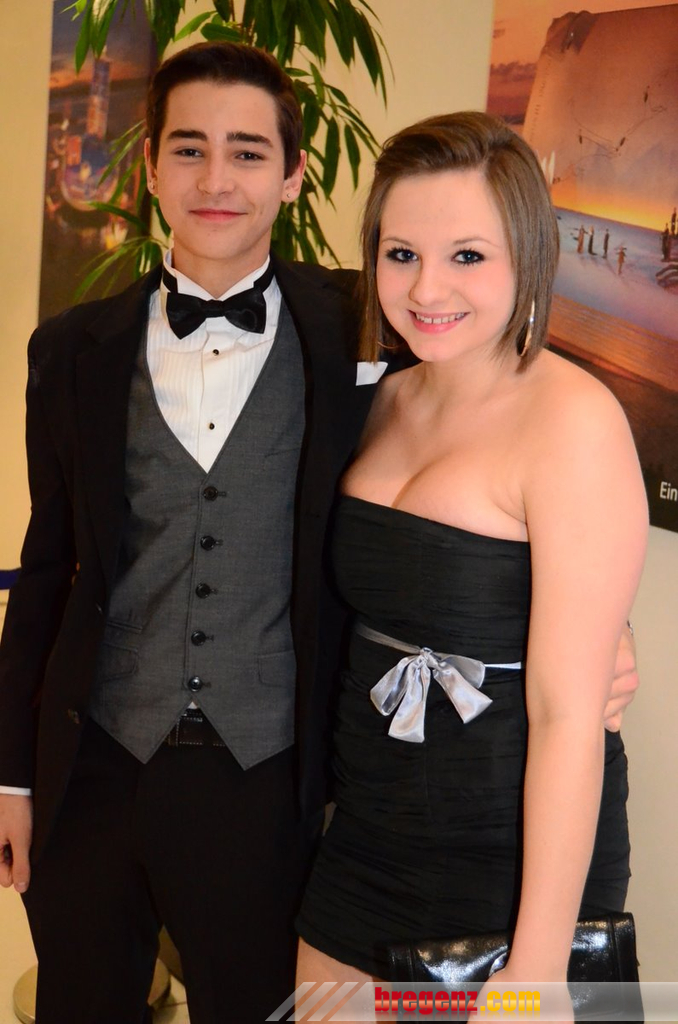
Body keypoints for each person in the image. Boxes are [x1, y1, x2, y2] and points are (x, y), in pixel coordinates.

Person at [0, 47, 638, 1024]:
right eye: (190, 149)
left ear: (295, 174)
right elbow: (49, 570)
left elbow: (532, 544)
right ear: (150, 166)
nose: (218, 180)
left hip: (297, 792)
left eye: (249, 152)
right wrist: (11, 773)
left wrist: (603, 632)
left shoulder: (367, 337)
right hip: (146, 779)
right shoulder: (83, 350)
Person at [295, 112, 647, 1019]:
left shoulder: (574, 420)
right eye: (401, 254)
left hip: (513, 856)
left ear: (528, 255)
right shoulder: (379, 398)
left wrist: (537, 970)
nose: (427, 288)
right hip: (365, 834)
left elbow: (570, 716)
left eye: (467, 256)